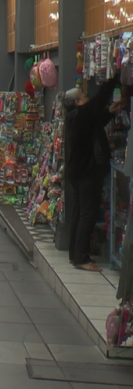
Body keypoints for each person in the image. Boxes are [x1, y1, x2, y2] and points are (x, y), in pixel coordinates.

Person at [64, 77, 122, 272]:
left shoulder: (76, 117)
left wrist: (110, 112)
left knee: (80, 213)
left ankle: (76, 254)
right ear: (78, 102)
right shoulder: (80, 114)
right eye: (83, 96)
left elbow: (95, 124)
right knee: (87, 214)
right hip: (87, 172)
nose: (87, 97)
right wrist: (115, 77)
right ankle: (81, 258)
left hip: (78, 171)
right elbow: (98, 101)